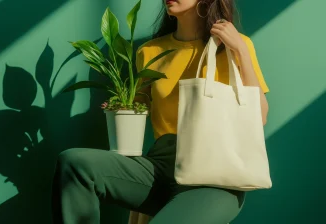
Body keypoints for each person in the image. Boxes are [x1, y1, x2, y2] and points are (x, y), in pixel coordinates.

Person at [51, 0, 270, 223]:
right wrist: (121, 106)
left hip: (214, 178)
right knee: (75, 162)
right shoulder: (151, 51)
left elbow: (259, 117)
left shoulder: (236, 46)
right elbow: (135, 110)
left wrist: (241, 52)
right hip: (159, 168)